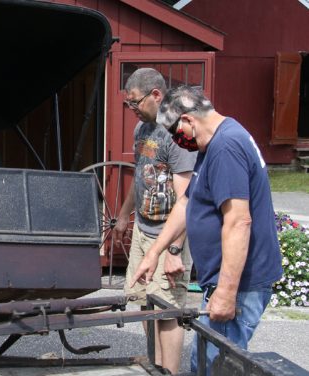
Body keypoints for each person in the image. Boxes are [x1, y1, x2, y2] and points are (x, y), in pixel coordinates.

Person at [131, 85, 283, 374]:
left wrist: (226, 292)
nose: (178, 142)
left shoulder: (226, 146)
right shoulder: (211, 143)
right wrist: (154, 252)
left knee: (215, 366)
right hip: (221, 280)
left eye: (177, 134)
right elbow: (187, 202)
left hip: (241, 284)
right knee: (205, 360)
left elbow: (239, 221)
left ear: (188, 120)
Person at [114, 68, 196, 374]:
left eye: (135, 102)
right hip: (143, 232)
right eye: (128, 104)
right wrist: (124, 214)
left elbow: (187, 197)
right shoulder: (142, 130)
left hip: (169, 236)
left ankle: (169, 372)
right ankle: (155, 366)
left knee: (167, 311)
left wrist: (175, 250)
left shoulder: (180, 135)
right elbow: (141, 174)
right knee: (145, 304)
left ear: (157, 95)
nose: (132, 109)